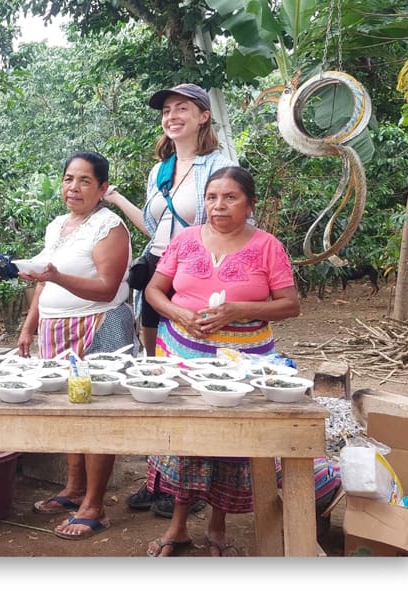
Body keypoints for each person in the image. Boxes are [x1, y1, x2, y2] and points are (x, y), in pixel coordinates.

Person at [141, 166, 301, 556]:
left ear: (250, 204)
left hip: (243, 363)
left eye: (230, 197)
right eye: (212, 197)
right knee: (185, 440)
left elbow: (290, 304)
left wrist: (237, 310)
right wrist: (179, 315)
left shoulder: (267, 246)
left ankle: (218, 528)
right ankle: (177, 528)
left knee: (231, 445)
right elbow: (153, 290)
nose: (219, 205)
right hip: (182, 355)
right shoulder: (185, 240)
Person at [103, 82, 236, 516]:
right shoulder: (160, 170)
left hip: (198, 279)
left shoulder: (220, 164)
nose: (171, 115)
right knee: (159, 380)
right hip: (160, 277)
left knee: (196, 380)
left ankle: (194, 488)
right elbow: (156, 229)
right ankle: (161, 479)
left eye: (183, 108)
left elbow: (227, 223)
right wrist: (117, 198)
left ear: (203, 116)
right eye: (166, 110)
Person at [14, 151, 139, 541]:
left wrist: (56, 276)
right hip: (55, 330)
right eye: (69, 178)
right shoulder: (58, 226)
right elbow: (43, 280)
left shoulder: (110, 227)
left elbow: (105, 286)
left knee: (98, 412)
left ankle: (95, 505)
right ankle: (72, 489)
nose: (74, 187)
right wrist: (29, 326)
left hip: (100, 326)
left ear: (103, 189)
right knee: (69, 409)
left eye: (85, 181)